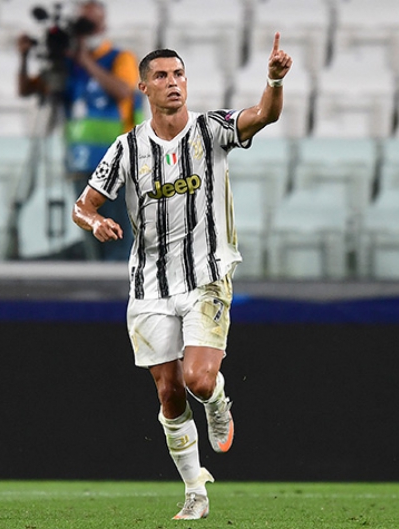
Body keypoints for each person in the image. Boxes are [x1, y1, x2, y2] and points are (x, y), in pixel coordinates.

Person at [71, 33, 293, 520]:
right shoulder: (127, 148)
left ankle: (217, 400)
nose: (173, 83)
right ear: (144, 88)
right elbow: (82, 205)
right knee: (169, 392)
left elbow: (264, 115)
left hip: (206, 277)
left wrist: (274, 80)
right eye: (162, 76)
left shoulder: (211, 129)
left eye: (179, 75)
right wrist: (96, 221)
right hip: (150, 286)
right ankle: (195, 489)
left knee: (197, 379)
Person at [18, 0, 143, 261]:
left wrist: (86, 61)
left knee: (119, 237)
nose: (85, 32)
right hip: (80, 167)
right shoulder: (69, 66)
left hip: (117, 166)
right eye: (81, 26)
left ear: (103, 26)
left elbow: (123, 91)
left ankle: (120, 283)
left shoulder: (119, 58)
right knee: (94, 240)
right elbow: (28, 89)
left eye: (90, 25)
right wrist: (24, 58)